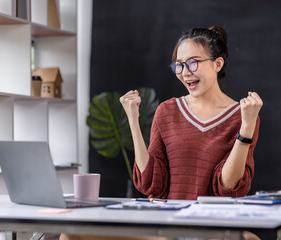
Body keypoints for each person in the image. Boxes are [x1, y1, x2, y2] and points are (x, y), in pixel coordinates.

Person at [61, 25, 262, 240]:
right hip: (166, 229)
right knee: (71, 234)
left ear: (217, 64)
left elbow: (228, 188)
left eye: (193, 62)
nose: (185, 72)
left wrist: (246, 129)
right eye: (179, 65)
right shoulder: (167, 110)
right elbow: (151, 184)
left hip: (212, 229)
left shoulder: (243, 115)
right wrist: (133, 121)